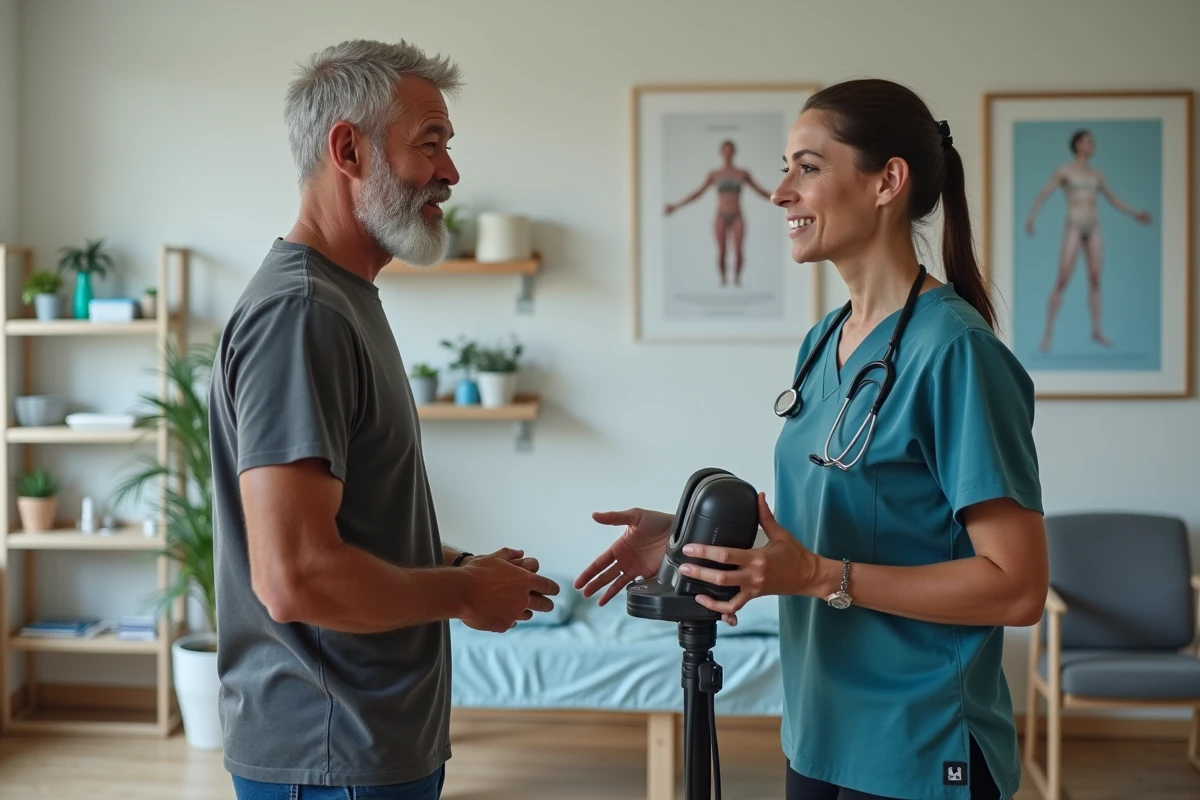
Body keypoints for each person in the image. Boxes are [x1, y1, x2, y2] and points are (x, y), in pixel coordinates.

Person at [578, 78, 1048, 800]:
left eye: (807, 167)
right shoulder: (824, 341)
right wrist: (690, 540)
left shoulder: (954, 352)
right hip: (817, 733)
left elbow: (1016, 587)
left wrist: (822, 578)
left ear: (888, 181)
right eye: (784, 168)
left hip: (917, 746)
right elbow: (830, 530)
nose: (780, 193)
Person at [209, 39, 559, 800]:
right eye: (429, 144)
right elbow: (295, 577)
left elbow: (349, 528)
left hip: (364, 747)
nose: (451, 173)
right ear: (348, 150)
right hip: (330, 753)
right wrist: (463, 598)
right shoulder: (301, 314)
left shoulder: (341, 300)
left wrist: (457, 567)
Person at [1025, 129, 1152, 351]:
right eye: (1087, 141)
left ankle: (1096, 330)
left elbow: (1113, 199)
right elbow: (1044, 193)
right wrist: (1032, 217)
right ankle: (1047, 334)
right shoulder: (1065, 171)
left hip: (1093, 226)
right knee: (1063, 279)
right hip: (1074, 225)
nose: (1091, 144)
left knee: (1095, 279)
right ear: (1078, 145)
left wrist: (1135, 214)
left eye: (1092, 141)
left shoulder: (1096, 175)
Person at [665, 139, 773, 286]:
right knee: (722, 251)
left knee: (739, 250)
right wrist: (676, 206)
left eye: (730, 151)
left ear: (734, 153)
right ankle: (723, 280)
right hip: (721, 215)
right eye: (725, 151)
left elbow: (760, 191)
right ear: (721, 153)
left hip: (737, 215)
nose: (727, 154)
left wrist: (782, 200)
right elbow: (698, 193)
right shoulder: (715, 174)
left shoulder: (742, 173)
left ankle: (736, 280)